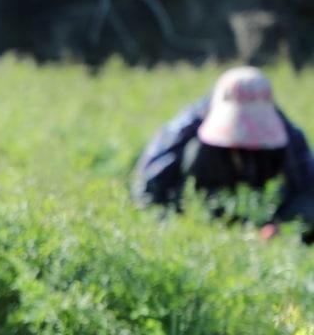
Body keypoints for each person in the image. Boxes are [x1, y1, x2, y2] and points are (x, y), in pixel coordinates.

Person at [132, 66, 314, 242]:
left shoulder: (289, 135)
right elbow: (149, 186)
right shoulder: (185, 128)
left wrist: (281, 225)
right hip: (200, 208)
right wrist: (169, 227)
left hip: (263, 208)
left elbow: (308, 188)